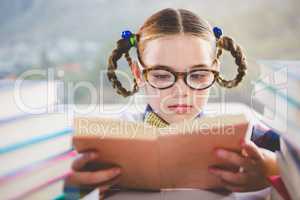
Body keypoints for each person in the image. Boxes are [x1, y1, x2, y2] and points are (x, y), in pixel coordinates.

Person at [64, 8, 280, 199]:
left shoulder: (246, 134)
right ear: (138, 74)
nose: (180, 92)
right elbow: (64, 190)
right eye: (161, 75)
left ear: (215, 69)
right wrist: (74, 190)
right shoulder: (105, 142)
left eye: (198, 75)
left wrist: (272, 168)